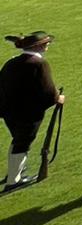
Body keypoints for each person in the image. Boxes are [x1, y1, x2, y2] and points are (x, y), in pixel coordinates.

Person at [2, 31, 63, 191]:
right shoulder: (39, 64)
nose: (48, 45)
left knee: (18, 140)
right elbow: (48, 90)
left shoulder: (11, 62)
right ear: (39, 46)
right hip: (29, 112)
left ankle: (14, 173)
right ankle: (14, 181)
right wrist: (58, 98)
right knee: (22, 143)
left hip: (9, 110)